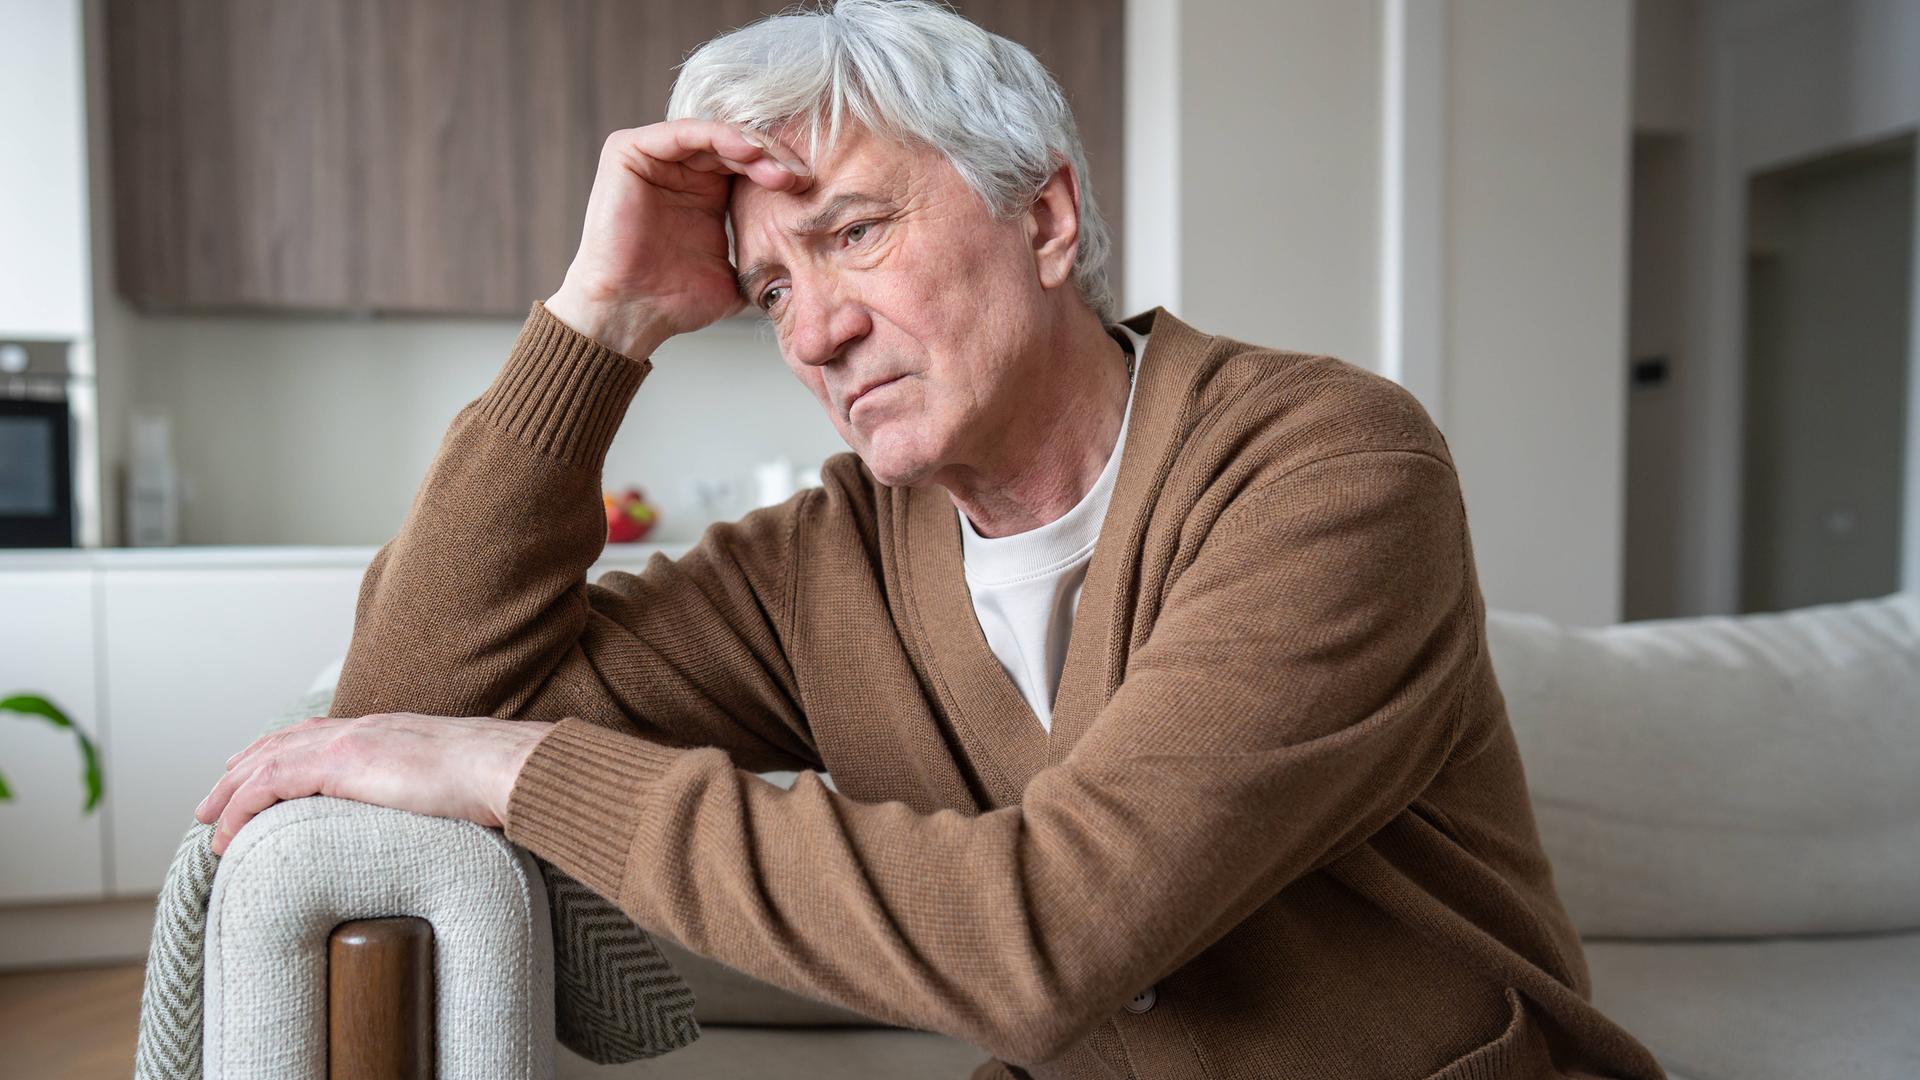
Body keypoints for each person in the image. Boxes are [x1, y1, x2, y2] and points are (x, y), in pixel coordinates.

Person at [195, 2, 1666, 1077]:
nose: (817, 328)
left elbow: (1051, 941)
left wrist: (526, 777)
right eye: (768, 289)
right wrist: (604, 317)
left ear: (1046, 220)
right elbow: (408, 708)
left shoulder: (1329, 467)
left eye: (853, 234)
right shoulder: (824, 562)